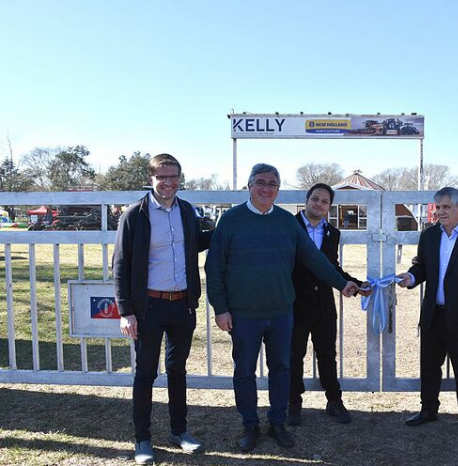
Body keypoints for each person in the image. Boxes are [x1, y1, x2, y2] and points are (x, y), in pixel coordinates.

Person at [205, 163, 360, 453]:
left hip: (281, 314)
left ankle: (277, 423)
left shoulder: (287, 222)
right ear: (249, 185)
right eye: (261, 182)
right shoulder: (231, 220)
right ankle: (250, 425)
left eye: (273, 184)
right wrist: (221, 308)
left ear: (279, 189)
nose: (266, 188)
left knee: (282, 369)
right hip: (243, 315)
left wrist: (341, 283)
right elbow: (214, 267)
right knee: (244, 372)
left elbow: (314, 259)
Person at [113, 153, 211, 465]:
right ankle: (142, 439)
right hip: (148, 308)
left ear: (180, 179)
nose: (168, 183)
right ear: (152, 178)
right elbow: (120, 266)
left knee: (177, 371)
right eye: (161, 177)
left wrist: (231, 228)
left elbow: (195, 242)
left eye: (173, 177)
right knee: (144, 374)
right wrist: (126, 312)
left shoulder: (186, 211)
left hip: (182, 305)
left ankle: (179, 431)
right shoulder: (135, 215)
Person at [397, 187, 458, 439]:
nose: (440, 212)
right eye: (438, 207)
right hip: (433, 314)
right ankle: (428, 409)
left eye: (446, 207)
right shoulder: (428, 235)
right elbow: (422, 267)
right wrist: (411, 277)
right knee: (429, 365)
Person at [288, 183, 370, 426]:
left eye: (324, 202)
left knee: (327, 353)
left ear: (329, 207)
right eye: (315, 199)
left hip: (323, 303)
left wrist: (355, 284)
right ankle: (293, 403)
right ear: (306, 200)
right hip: (294, 302)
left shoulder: (333, 233)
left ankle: (334, 401)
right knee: (294, 354)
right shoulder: (290, 226)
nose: (319, 204)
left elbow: (331, 267)